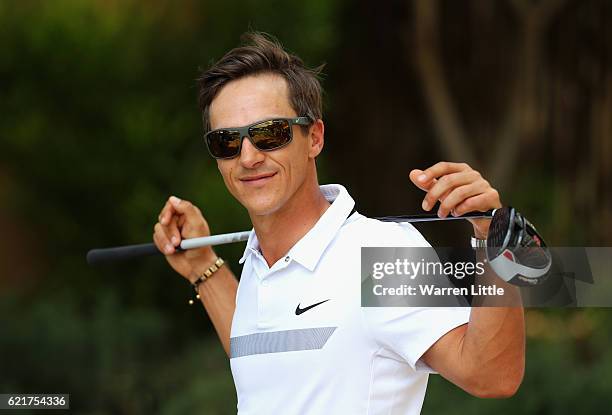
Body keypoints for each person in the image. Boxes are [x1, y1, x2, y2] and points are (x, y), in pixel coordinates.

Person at [153, 32, 524, 414]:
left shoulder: (379, 254)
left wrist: (492, 238)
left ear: (313, 137)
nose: (248, 157)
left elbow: (492, 376)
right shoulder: (257, 259)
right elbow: (266, 360)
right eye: (227, 141)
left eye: (269, 134)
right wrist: (205, 270)